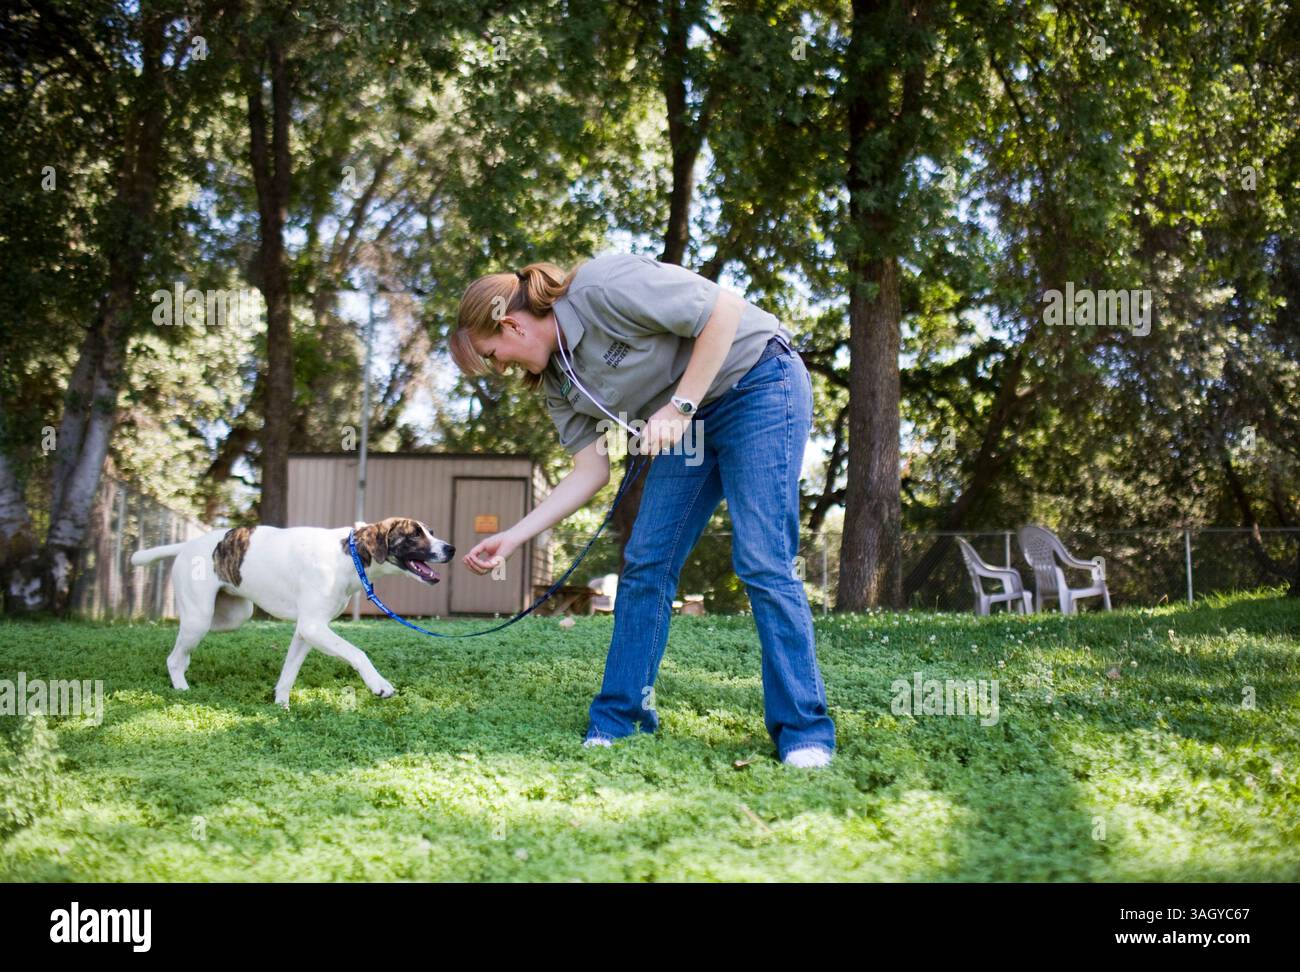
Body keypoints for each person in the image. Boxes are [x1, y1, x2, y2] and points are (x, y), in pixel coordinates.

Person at [448, 254, 836, 768]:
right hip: (692, 424)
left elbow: (723, 310)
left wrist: (679, 408)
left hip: (758, 383)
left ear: (511, 323)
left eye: (494, 355)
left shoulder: (604, 285)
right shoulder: (557, 384)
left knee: (763, 560)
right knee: (646, 564)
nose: (502, 369)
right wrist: (514, 537)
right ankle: (620, 719)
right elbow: (590, 471)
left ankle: (804, 733)